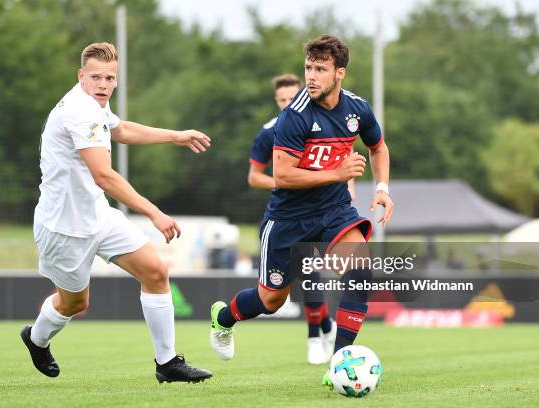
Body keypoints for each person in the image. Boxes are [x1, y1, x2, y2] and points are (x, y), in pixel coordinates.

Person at [21, 42, 212, 383]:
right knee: (75, 304)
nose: (103, 84)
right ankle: (36, 339)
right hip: (64, 228)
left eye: (109, 78)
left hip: (98, 215)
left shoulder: (96, 107)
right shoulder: (79, 111)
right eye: (95, 77)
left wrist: (176, 136)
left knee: (155, 271)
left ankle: (167, 364)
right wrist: (154, 212)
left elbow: (120, 129)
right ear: (81, 76)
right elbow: (103, 175)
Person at [209, 35, 393, 384]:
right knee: (270, 300)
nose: (311, 76)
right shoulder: (293, 116)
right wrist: (337, 173)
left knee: (360, 272)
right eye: (308, 67)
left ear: (339, 73)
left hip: (334, 209)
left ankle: (338, 364)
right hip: (288, 218)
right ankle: (224, 318)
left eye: (320, 69)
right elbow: (282, 175)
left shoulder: (357, 108)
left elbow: (378, 147)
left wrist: (382, 188)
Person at [248, 74, 357, 365]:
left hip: (324, 211)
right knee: (276, 295)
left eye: (291, 98)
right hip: (287, 213)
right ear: (276, 101)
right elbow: (253, 176)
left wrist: (347, 184)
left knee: (311, 274)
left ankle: (315, 338)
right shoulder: (271, 131)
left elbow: (340, 155)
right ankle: (324, 327)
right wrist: (283, 180)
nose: (287, 103)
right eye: (282, 100)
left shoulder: (320, 120)